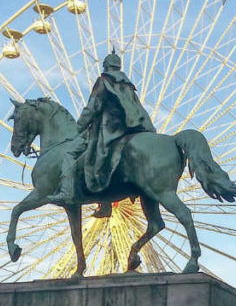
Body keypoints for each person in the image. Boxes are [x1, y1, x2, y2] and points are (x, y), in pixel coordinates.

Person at [47, 51, 156, 210]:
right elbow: (138, 109)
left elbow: (93, 107)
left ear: (105, 66)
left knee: (71, 154)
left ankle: (67, 192)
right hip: (129, 129)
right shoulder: (128, 85)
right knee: (102, 158)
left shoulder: (104, 81)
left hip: (107, 130)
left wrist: (78, 128)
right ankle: (105, 203)